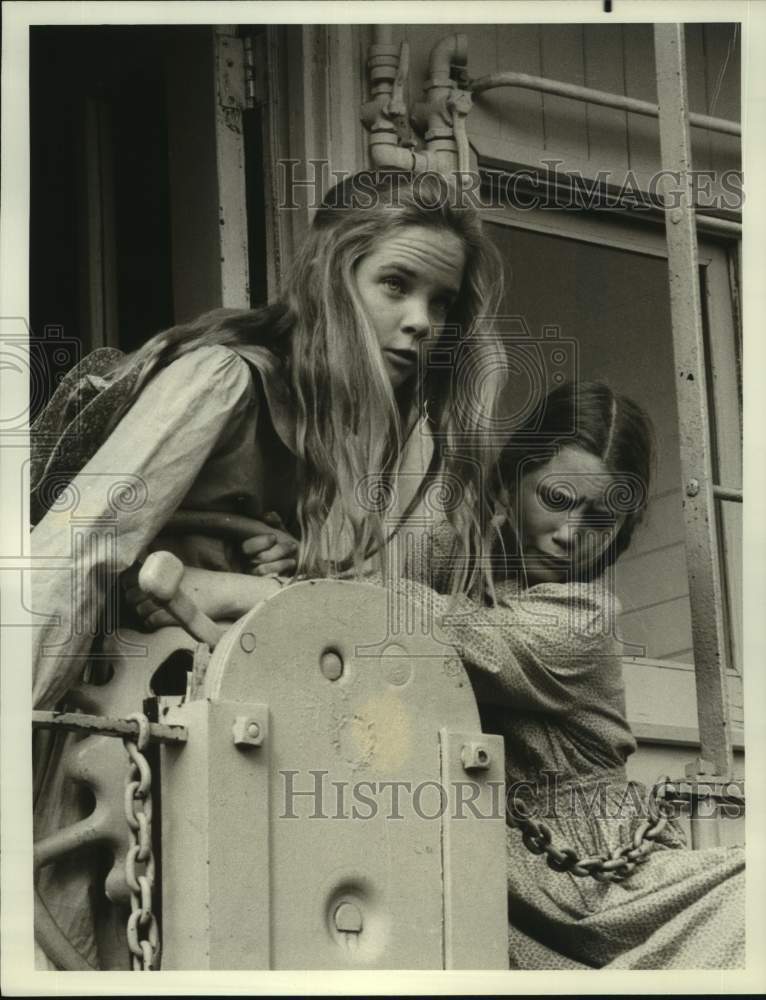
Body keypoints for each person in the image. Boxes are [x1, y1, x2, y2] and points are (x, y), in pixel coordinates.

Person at [30, 169, 506, 968]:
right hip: (111, 722)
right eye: (396, 284)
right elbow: (82, 550)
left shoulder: (350, 426)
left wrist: (291, 572)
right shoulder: (224, 379)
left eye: (443, 301)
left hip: (239, 738)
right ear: (332, 275)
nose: (422, 320)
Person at [375, 379, 745, 969]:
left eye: (599, 517)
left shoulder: (585, 620)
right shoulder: (452, 560)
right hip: (483, 866)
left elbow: (434, 629)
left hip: (611, 887)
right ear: (512, 483)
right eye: (555, 498)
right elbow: (363, 591)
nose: (571, 533)